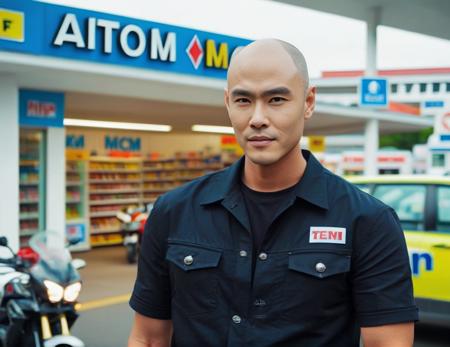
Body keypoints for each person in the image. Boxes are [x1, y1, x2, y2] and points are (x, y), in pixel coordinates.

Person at [128, 39, 418, 347]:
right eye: (243, 100)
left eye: (276, 99)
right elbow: (147, 339)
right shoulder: (174, 211)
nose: (257, 118)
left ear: (308, 102)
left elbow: (388, 343)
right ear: (227, 103)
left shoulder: (368, 221)